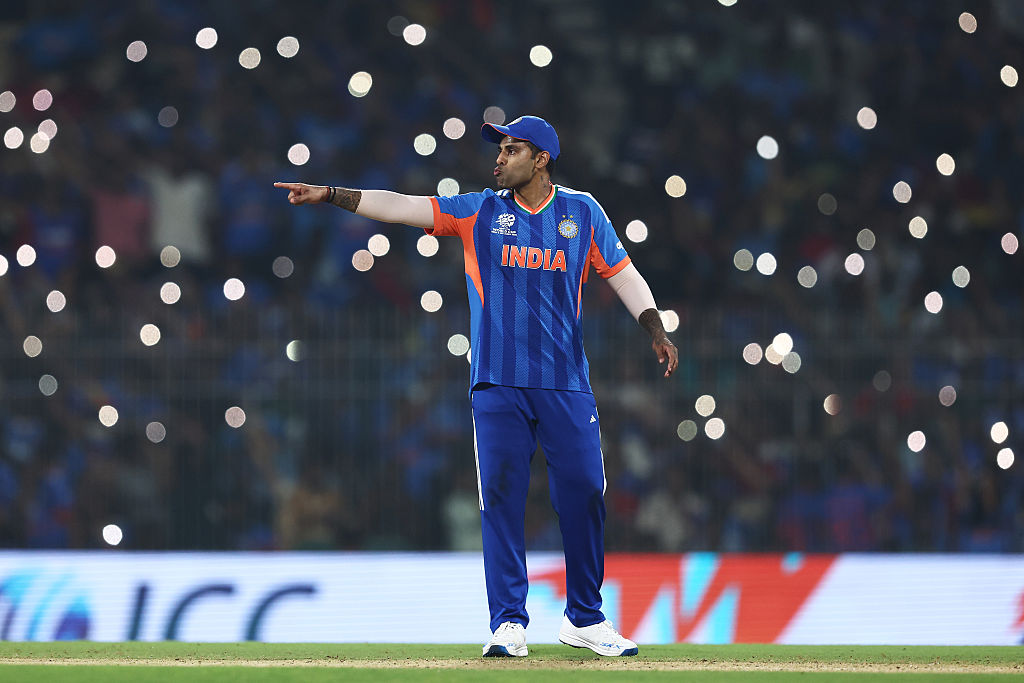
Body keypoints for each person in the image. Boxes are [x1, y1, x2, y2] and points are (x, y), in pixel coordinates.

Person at [274, 115, 678, 657]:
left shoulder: (582, 212)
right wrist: (328, 193)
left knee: (584, 494)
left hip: (565, 382)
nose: (498, 158)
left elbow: (624, 274)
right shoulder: (478, 210)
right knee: (501, 499)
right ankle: (508, 623)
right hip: (497, 382)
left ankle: (584, 617)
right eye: (499, 149)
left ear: (541, 159)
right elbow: (400, 205)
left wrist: (655, 328)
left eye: (510, 149)